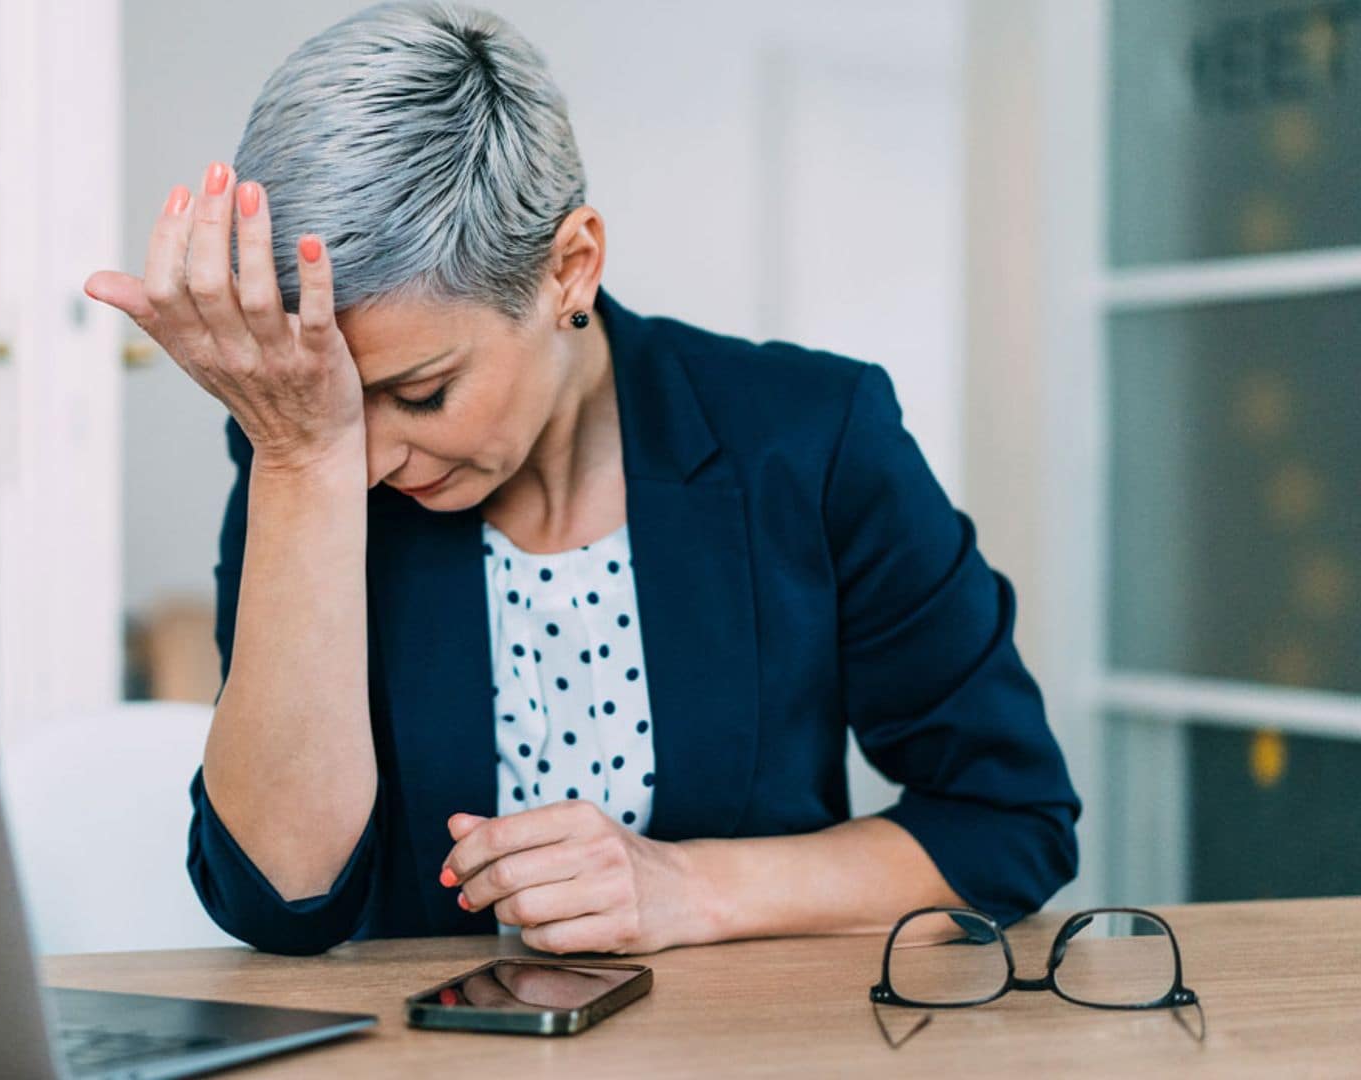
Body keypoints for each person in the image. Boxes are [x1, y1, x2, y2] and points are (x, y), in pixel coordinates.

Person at [83, 0, 1079, 958]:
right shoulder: (310, 452)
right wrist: (301, 463)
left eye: (421, 393)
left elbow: (1008, 820)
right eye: (343, 410)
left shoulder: (811, 436)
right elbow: (280, 901)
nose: (373, 459)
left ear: (571, 266)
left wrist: (686, 889)